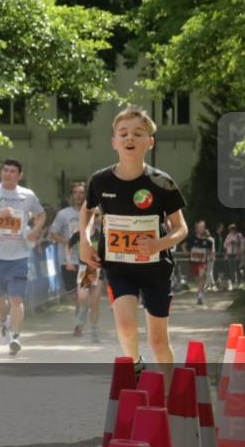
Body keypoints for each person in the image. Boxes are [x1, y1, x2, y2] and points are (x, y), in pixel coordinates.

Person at [80, 105, 188, 379]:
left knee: (158, 342)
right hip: (119, 266)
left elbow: (180, 228)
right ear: (114, 141)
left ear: (149, 142)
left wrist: (157, 245)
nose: (130, 138)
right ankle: (136, 363)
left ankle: (169, 390)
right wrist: (84, 240)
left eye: (138, 133)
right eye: (123, 133)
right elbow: (88, 211)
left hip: (155, 269)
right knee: (127, 327)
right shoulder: (100, 180)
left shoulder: (162, 183)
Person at [0, 159, 45, 356]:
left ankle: (15, 336)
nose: (8, 174)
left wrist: (35, 231)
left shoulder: (27, 195)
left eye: (13, 171)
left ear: (19, 175)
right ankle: (3, 323)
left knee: (16, 299)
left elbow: (41, 215)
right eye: (5, 170)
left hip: (19, 256)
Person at [49, 181, 86, 334]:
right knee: (73, 294)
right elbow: (53, 234)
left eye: (81, 192)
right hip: (68, 259)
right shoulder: (63, 214)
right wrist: (69, 241)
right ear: (71, 196)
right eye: (76, 193)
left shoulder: (91, 212)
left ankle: (79, 324)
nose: (78, 195)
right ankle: (80, 319)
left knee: (84, 293)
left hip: (86, 259)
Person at [72, 208, 104, 343]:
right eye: (91, 215)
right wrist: (68, 259)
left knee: (95, 302)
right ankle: (83, 311)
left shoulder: (103, 233)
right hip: (86, 269)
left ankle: (94, 330)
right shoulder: (80, 233)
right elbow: (69, 244)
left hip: (98, 269)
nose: (94, 217)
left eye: (97, 215)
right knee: (83, 297)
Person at [186, 220, 214, 305]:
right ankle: (200, 292)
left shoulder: (208, 241)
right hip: (193, 262)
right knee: (197, 279)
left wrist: (210, 255)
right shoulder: (192, 238)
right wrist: (186, 252)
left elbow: (211, 250)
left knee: (201, 277)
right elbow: (184, 246)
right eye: (200, 227)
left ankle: (200, 296)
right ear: (196, 228)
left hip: (202, 262)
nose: (202, 228)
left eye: (203, 226)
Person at [224, 224, 244, 288]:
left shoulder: (239, 235)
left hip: (237, 254)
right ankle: (233, 282)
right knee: (231, 268)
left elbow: (242, 244)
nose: (231, 230)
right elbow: (225, 245)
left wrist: (236, 243)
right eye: (230, 229)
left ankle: (239, 281)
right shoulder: (228, 236)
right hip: (230, 253)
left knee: (237, 268)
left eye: (233, 229)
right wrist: (229, 243)